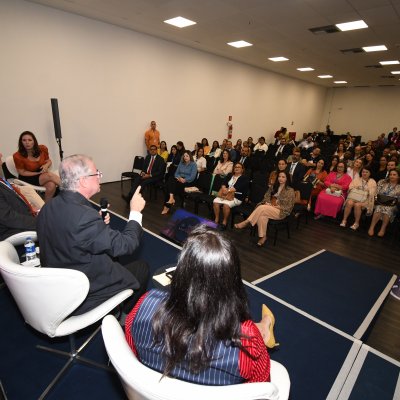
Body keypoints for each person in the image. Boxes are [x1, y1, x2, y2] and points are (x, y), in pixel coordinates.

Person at [125, 226, 275, 384]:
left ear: (181, 270)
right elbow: (259, 388)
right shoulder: (247, 342)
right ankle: (264, 328)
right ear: (232, 280)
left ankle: (264, 327)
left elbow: (131, 355)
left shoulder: (144, 304)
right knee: (249, 331)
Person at [37, 154, 149, 316]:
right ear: (83, 180)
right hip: (84, 293)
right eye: (96, 173)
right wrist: (135, 212)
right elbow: (127, 244)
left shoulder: (48, 207)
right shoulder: (83, 217)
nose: (99, 176)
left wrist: (97, 224)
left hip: (57, 284)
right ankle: (123, 317)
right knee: (142, 268)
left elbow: (67, 233)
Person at [235, 171, 295, 247]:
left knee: (262, 208)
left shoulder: (290, 190)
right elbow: (266, 196)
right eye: (279, 176)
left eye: (283, 177)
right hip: (269, 207)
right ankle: (263, 237)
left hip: (281, 211)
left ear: (287, 179)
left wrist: (275, 206)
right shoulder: (274, 186)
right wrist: (268, 203)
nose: (280, 178)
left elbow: (289, 206)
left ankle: (246, 222)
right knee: (262, 216)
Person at [13, 131, 61, 202]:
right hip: (27, 177)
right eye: (24, 140)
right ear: (21, 142)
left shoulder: (42, 148)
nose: (27, 142)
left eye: (30, 140)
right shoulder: (17, 156)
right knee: (50, 176)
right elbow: (22, 172)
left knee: (51, 185)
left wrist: (46, 165)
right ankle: (72, 191)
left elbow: (49, 161)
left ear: (34, 141)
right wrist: (38, 173)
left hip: (41, 174)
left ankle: (45, 206)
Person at [213, 163, 249, 230]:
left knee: (226, 205)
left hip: (237, 197)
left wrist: (228, 190)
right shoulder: (230, 175)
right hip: (226, 194)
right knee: (215, 202)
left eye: (239, 167)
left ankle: (224, 222)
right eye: (235, 167)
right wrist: (224, 188)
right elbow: (223, 183)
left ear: (242, 169)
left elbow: (236, 188)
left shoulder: (244, 178)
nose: (236, 168)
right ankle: (216, 219)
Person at [0, 175, 37, 240]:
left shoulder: (2, 181)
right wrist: (38, 221)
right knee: (53, 226)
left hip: (20, 221)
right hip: (11, 230)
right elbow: (8, 218)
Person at [161, 150, 197, 215]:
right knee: (171, 179)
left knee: (169, 188)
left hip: (188, 181)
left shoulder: (193, 164)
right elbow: (176, 173)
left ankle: (166, 207)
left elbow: (192, 177)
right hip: (179, 179)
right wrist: (179, 178)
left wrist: (184, 179)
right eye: (184, 156)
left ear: (190, 157)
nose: (185, 157)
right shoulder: (181, 162)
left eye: (187, 156)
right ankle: (171, 198)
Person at [368, 169, 400, 237]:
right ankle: (372, 227)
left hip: (392, 205)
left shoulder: (399, 186)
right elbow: (376, 193)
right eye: (390, 174)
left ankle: (383, 229)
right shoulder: (382, 182)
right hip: (380, 202)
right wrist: (376, 200)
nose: (392, 176)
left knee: (388, 209)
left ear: (398, 177)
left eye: (394, 175)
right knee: (379, 207)